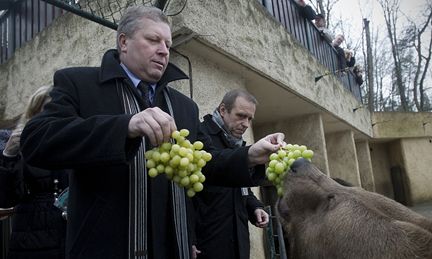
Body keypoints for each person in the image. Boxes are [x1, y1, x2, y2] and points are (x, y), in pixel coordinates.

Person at [20, 6, 285, 259]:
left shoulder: (184, 107)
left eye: (168, 45)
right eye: (153, 40)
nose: (163, 51)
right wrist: (125, 127)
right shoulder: (79, 83)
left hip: (172, 248)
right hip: (105, 248)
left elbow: (204, 165)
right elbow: (37, 140)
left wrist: (250, 154)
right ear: (124, 42)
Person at [193, 90, 269, 259]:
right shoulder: (200, 136)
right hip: (207, 244)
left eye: (249, 118)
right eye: (241, 115)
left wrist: (254, 207)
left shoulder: (237, 143)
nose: (246, 124)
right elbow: (184, 194)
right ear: (222, 110)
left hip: (239, 242)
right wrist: (189, 237)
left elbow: (239, 187)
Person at [0, 85, 68, 259]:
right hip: (31, 238)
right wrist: (8, 155)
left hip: (70, 234)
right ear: (34, 113)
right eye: (45, 109)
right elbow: (6, 198)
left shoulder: (74, 139)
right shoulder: (22, 142)